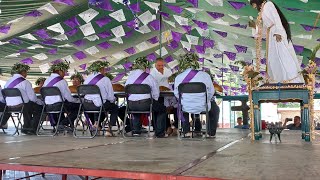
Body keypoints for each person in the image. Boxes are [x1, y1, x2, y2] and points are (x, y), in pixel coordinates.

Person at [249, 0, 304, 83]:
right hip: (272, 35)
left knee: (283, 56)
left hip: (278, 34)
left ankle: (292, 80)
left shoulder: (268, 4)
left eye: (253, 4)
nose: (254, 7)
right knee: (275, 60)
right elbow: (265, 31)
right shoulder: (263, 10)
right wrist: (255, 27)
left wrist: (278, 32)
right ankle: (279, 80)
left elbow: (277, 18)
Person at [174, 53, 219, 137]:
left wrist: (186, 100)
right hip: (203, 106)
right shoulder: (205, 75)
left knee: (181, 105)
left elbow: (177, 94)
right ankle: (211, 133)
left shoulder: (179, 77)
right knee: (215, 109)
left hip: (186, 107)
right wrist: (206, 100)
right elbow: (211, 91)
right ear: (196, 63)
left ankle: (186, 131)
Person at [125, 57, 167, 138]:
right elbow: (156, 93)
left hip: (131, 105)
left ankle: (136, 131)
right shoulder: (149, 77)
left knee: (135, 109)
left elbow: (126, 91)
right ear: (145, 67)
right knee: (162, 109)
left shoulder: (129, 77)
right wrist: (154, 101)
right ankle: (159, 133)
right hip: (146, 104)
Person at [4, 63, 43, 135]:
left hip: (9, 107)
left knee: (28, 106)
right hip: (23, 106)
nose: (26, 74)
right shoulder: (25, 82)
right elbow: (32, 98)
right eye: (26, 72)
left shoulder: (8, 82)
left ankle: (26, 127)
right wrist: (40, 102)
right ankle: (31, 129)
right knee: (39, 108)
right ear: (22, 72)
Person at [84, 61, 118, 137]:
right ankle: (109, 130)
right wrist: (113, 100)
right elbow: (110, 97)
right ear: (102, 69)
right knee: (114, 107)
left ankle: (97, 125)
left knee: (100, 104)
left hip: (86, 105)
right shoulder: (105, 79)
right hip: (98, 105)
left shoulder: (87, 79)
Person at [43, 62, 80, 129]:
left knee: (64, 104)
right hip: (60, 106)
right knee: (79, 107)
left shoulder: (47, 80)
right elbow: (68, 98)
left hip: (47, 106)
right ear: (60, 71)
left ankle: (60, 125)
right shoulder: (62, 81)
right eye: (64, 72)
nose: (65, 74)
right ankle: (63, 123)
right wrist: (77, 100)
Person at [150, 58, 178, 136]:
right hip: (158, 94)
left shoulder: (167, 70)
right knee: (160, 111)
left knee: (175, 107)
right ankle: (161, 129)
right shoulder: (152, 73)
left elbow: (171, 80)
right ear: (155, 65)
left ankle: (174, 128)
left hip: (168, 93)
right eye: (159, 65)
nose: (160, 67)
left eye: (162, 65)